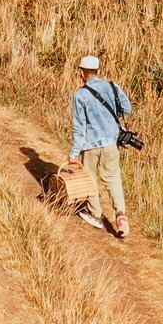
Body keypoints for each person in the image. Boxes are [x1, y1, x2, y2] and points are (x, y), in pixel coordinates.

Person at [68, 54, 134, 238]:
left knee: (90, 178)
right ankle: (120, 216)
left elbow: (80, 129)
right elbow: (127, 109)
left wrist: (74, 154)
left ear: (82, 72)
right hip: (111, 143)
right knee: (113, 179)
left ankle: (95, 213)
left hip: (90, 145)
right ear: (98, 70)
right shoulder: (113, 87)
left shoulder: (80, 96)